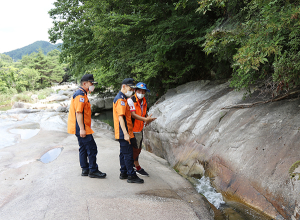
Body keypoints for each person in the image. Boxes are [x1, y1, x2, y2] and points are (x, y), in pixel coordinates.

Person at [67, 74, 106, 179]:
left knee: (83, 148)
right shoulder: (80, 95)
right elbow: (79, 113)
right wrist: (82, 129)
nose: (93, 85)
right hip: (81, 127)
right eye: (91, 83)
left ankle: (85, 169)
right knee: (92, 149)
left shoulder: (82, 94)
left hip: (78, 127)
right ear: (84, 84)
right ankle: (93, 170)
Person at [113, 78, 144, 183]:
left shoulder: (123, 98)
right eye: (130, 88)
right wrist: (126, 134)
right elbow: (120, 117)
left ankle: (123, 172)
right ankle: (131, 175)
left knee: (123, 153)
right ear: (124, 86)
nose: (131, 90)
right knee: (128, 154)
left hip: (124, 132)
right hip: (124, 132)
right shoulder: (121, 99)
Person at [127, 82, 156, 176]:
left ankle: (134, 165)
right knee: (135, 149)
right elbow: (133, 114)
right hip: (132, 129)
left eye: (143, 91)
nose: (141, 93)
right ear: (135, 90)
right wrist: (145, 119)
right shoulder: (131, 100)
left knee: (138, 149)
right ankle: (135, 167)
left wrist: (147, 119)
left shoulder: (144, 100)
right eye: (139, 90)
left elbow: (144, 112)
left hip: (140, 128)